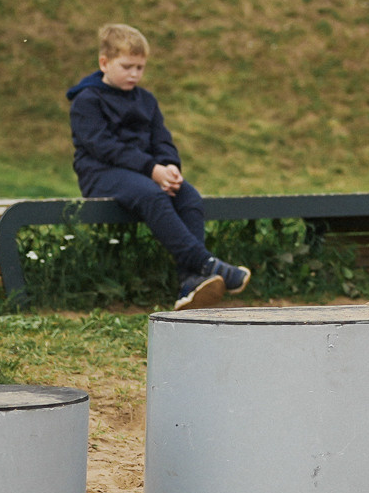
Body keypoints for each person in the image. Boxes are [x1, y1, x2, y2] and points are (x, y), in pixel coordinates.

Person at [67, 23, 252, 311]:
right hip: (101, 174)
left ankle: (190, 282)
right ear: (104, 63)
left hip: (145, 172)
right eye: (127, 66)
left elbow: (162, 139)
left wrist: (169, 166)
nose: (134, 74)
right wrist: (152, 169)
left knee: (188, 196)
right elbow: (104, 147)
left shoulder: (146, 100)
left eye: (140, 68)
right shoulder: (87, 101)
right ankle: (206, 263)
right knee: (152, 195)